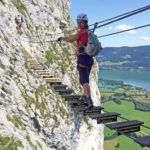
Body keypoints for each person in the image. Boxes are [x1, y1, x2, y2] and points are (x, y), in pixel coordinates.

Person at [57, 13, 94, 107]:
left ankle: (89, 100)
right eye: (77, 22)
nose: (78, 24)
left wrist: (62, 38)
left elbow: (70, 40)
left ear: (84, 22)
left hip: (83, 58)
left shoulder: (81, 32)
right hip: (89, 58)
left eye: (79, 22)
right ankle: (85, 97)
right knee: (84, 80)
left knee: (84, 80)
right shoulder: (90, 32)